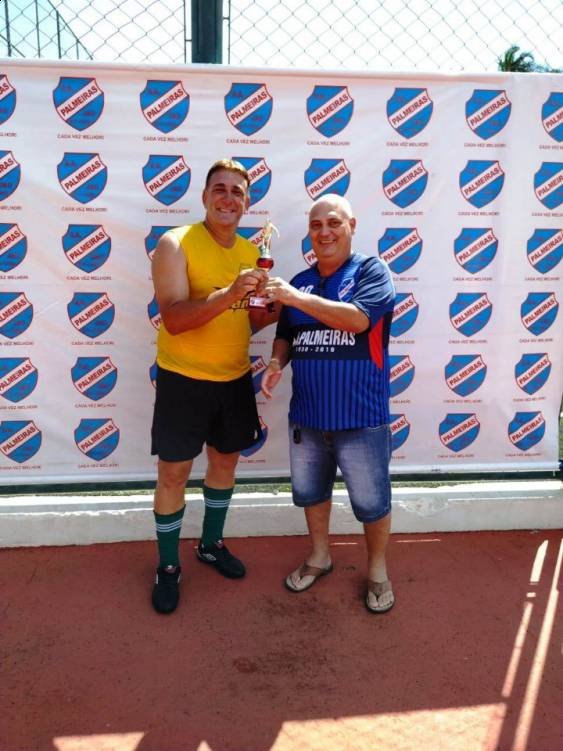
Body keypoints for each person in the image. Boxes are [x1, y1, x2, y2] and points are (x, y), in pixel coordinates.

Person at [150, 158, 277, 614]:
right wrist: (230, 293)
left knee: (224, 466)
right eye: (219, 189)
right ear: (204, 197)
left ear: (247, 203)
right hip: (183, 380)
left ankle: (210, 544)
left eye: (237, 192)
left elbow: (250, 321)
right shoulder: (175, 243)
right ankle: (168, 566)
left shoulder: (251, 251)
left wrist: (275, 305)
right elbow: (174, 318)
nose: (228, 198)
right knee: (173, 475)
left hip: (234, 379)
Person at [261, 193, 396, 613]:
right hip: (308, 416)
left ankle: (377, 570)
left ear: (352, 226)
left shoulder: (372, 271)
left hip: (361, 417)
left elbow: (357, 320)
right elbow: (286, 333)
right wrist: (276, 361)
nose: (324, 232)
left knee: (372, 503)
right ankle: (320, 556)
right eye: (316, 225)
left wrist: (295, 298)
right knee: (311, 494)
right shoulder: (299, 281)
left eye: (334, 222)